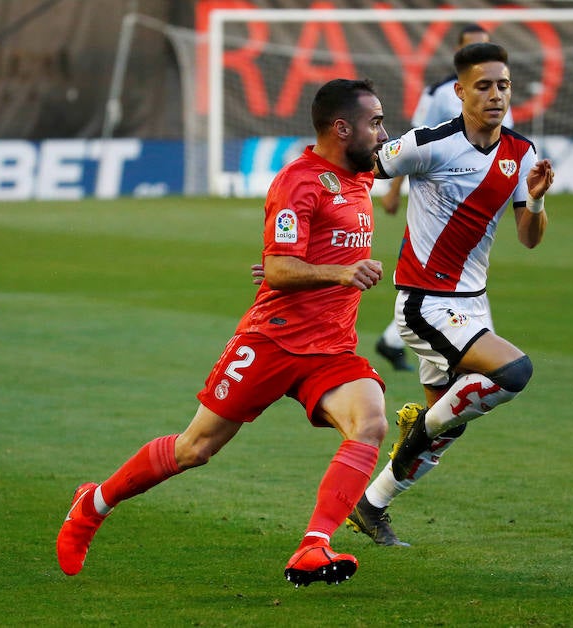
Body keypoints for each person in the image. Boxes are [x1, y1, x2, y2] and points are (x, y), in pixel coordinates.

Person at [56, 79, 391, 587]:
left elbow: (299, 256)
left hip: (331, 349)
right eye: (375, 122)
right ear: (342, 128)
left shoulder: (358, 178)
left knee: (370, 424)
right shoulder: (299, 181)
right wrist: (338, 273)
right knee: (195, 449)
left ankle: (314, 546)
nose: (384, 133)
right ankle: (93, 503)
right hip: (271, 342)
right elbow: (280, 269)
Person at [345, 42, 554, 546]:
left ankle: (371, 506)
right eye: (484, 86)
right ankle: (418, 427)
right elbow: (358, 170)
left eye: (503, 85)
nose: (496, 95)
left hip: (472, 302)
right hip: (424, 304)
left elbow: (528, 237)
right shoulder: (429, 143)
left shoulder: (521, 153)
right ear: (460, 92)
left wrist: (539, 202)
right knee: (513, 371)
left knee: (449, 427)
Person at [375, 24, 514, 372]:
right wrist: (395, 190)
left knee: (456, 277)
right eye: (473, 48)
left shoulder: (498, 93)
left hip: (475, 197)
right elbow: (413, 143)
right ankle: (396, 343)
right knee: (436, 280)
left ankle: (394, 344)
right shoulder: (438, 94)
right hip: (438, 191)